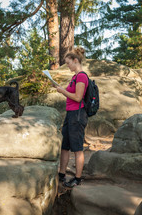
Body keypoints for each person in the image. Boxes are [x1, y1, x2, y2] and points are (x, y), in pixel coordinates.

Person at [54, 47, 89, 188]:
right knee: (65, 146)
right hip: (70, 114)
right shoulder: (75, 77)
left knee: (77, 148)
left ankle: (77, 178)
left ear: (75, 60)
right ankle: (61, 175)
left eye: (68, 63)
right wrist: (59, 87)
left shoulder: (81, 76)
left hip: (78, 115)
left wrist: (62, 91)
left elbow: (78, 97)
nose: (67, 66)